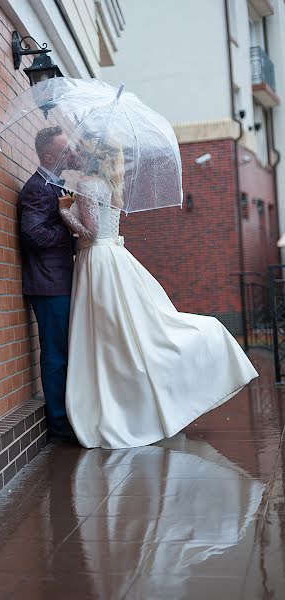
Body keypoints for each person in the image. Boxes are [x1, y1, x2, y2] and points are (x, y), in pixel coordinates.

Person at [58, 137, 259, 449]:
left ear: (91, 156)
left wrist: (66, 213)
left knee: (109, 338)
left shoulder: (87, 184)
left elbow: (91, 231)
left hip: (97, 262)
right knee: (126, 334)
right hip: (110, 259)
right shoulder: (107, 184)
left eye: (81, 148)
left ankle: (122, 405)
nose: (76, 151)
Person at [20, 126, 78, 442]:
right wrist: (67, 231)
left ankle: (66, 416)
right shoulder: (36, 188)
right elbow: (33, 234)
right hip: (48, 285)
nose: (70, 153)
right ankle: (58, 425)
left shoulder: (55, 186)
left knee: (64, 352)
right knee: (55, 355)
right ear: (47, 154)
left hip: (60, 283)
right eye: (64, 148)